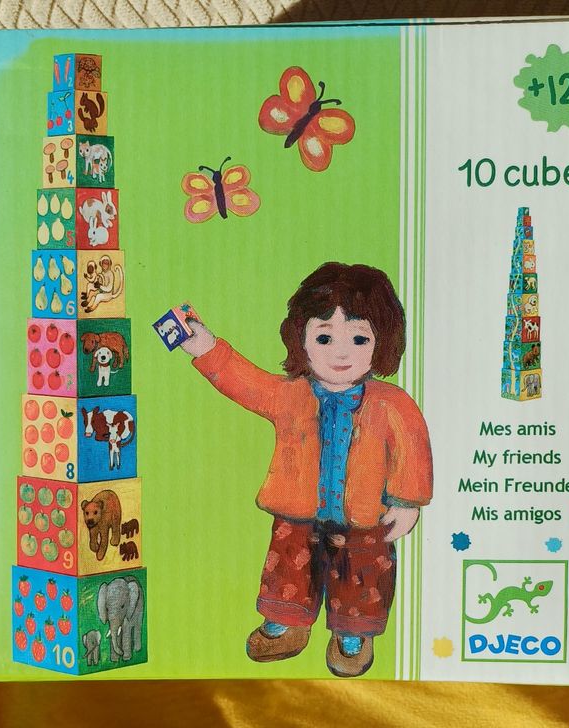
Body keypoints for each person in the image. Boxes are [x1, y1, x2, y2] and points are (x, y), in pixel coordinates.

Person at [180, 261, 433, 677]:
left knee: (362, 578)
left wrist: (407, 502)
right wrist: (206, 347)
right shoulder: (289, 395)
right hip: (296, 515)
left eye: (358, 337)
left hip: (366, 518)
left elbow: (413, 450)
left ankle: (353, 633)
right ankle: (287, 622)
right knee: (287, 569)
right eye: (324, 337)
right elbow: (246, 383)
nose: (340, 352)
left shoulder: (394, 404)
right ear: (301, 339)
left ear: (383, 341)